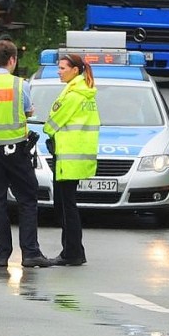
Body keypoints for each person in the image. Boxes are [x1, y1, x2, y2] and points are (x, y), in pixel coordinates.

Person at [0, 40, 52, 269]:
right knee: (27, 199)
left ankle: (1, 255)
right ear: (12, 60)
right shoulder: (19, 85)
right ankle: (30, 253)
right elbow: (27, 111)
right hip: (16, 150)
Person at [43, 52, 100, 266]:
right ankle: (74, 251)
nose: (59, 72)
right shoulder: (85, 92)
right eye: (58, 68)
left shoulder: (74, 95)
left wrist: (49, 130)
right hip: (76, 156)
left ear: (75, 70)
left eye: (63, 68)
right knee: (68, 206)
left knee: (66, 208)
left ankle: (72, 253)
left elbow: (52, 123)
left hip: (68, 157)